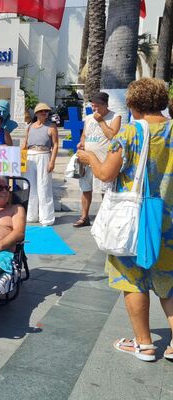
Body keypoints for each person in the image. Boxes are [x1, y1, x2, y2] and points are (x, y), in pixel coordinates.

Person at [77, 78, 173, 362]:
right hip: (168, 221)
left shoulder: (130, 133)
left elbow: (106, 174)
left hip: (133, 222)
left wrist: (90, 158)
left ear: (133, 104)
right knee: (169, 280)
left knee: (132, 279)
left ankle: (143, 343)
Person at [73, 92, 122, 227]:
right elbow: (84, 135)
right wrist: (81, 143)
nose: (94, 109)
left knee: (104, 190)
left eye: (97, 106)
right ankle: (84, 217)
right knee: (85, 188)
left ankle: (106, 219)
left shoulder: (115, 117)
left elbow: (113, 136)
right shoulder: (88, 118)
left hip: (103, 161)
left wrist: (100, 121)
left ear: (105, 105)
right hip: (86, 159)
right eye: (92, 106)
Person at [21, 103, 59, 226]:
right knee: (29, 186)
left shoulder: (52, 126)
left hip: (44, 155)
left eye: (46, 111)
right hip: (30, 156)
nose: (44, 113)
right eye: (42, 111)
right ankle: (31, 215)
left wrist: (52, 161)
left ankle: (46, 218)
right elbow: (25, 143)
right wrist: (21, 160)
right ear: (36, 113)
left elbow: (56, 144)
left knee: (44, 186)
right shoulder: (30, 127)